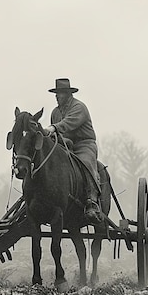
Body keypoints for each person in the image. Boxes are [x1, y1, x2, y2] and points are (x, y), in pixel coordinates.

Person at [43, 78, 102, 223]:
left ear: (68, 94)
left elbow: (68, 123)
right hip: (64, 145)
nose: (57, 96)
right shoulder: (55, 112)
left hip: (84, 144)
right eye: (56, 93)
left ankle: (91, 201)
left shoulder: (79, 107)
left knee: (86, 163)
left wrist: (53, 128)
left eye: (60, 93)